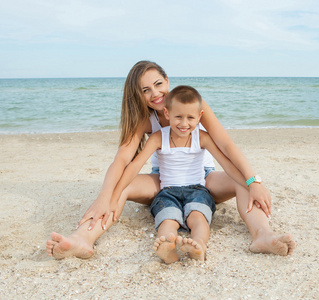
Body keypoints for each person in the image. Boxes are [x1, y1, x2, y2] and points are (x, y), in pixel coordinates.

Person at [46, 60, 295, 259]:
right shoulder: (146, 121)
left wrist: (253, 181)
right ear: (138, 95)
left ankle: (262, 235)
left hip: (204, 176)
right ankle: (83, 239)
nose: (155, 93)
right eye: (146, 90)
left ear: (167, 80)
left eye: (157, 84)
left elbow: (226, 144)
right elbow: (122, 161)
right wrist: (103, 197)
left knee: (243, 181)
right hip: (164, 179)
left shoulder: (190, 105)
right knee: (120, 186)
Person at [110, 85, 248, 263]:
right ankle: (168, 246)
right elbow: (135, 165)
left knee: (198, 218)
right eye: (178, 117)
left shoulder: (202, 137)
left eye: (190, 117)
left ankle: (198, 245)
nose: (184, 124)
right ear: (167, 114)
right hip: (167, 191)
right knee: (168, 220)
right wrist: (116, 192)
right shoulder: (158, 137)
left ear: (199, 117)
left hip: (198, 190)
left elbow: (226, 164)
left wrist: (249, 183)